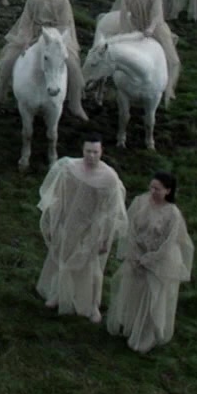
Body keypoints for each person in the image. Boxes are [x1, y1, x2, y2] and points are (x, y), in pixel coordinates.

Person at [36, 138, 128, 321]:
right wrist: (54, 221)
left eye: (95, 152)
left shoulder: (109, 177)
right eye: (88, 151)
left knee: (91, 265)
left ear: (101, 152)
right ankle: (58, 293)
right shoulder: (69, 168)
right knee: (63, 256)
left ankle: (92, 305)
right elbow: (58, 196)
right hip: (69, 222)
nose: (91, 156)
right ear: (82, 150)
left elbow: (112, 211)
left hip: (93, 226)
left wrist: (105, 238)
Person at [106, 172, 194, 354]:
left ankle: (145, 335)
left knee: (151, 297)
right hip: (137, 255)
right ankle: (131, 325)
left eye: (158, 189)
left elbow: (168, 243)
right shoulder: (140, 202)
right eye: (151, 187)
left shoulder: (172, 213)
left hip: (159, 261)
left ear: (168, 191)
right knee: (134, 291)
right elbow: (130, 228)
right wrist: (135, 253)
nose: (153, 191)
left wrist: (148, 259)